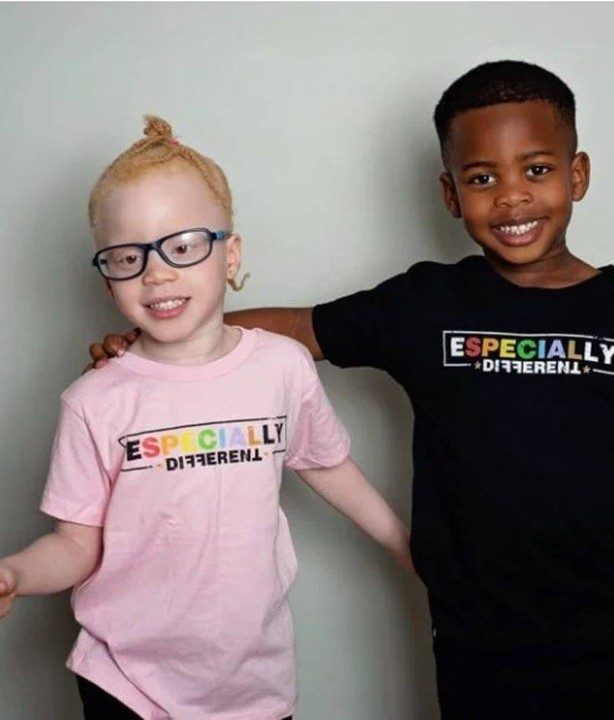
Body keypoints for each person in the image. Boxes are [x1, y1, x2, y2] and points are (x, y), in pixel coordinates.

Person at [88, 61, 614, 719]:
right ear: (450, 193)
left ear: (577, 174)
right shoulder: (428, 305)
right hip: (485, 652)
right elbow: (299, 329)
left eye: (536, 170)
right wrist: (154, 340)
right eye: (483, 178)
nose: (511, 197)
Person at [0, 116, 412, 720]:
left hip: (252, 683)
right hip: (126, 681)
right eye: (127, 256)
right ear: (107, 277)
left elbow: (327, 465)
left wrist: (407, 545)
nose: (157, 272)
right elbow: (75, 545)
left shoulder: (282, 366)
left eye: (184, 246)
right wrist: (14, 572)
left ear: (230, 254)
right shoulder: (94, 400)